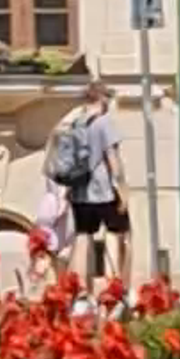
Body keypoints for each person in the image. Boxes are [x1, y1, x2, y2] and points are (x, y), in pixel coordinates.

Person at [48, 95, 130, 273]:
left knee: (83, 236)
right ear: (102, 100)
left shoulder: (76, 123)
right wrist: (123, 189)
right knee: (114, 234)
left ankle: (81, 289)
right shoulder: (104, 123)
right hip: (103, 191)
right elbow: (113, 160)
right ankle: (113, 286)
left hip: (79, 191)